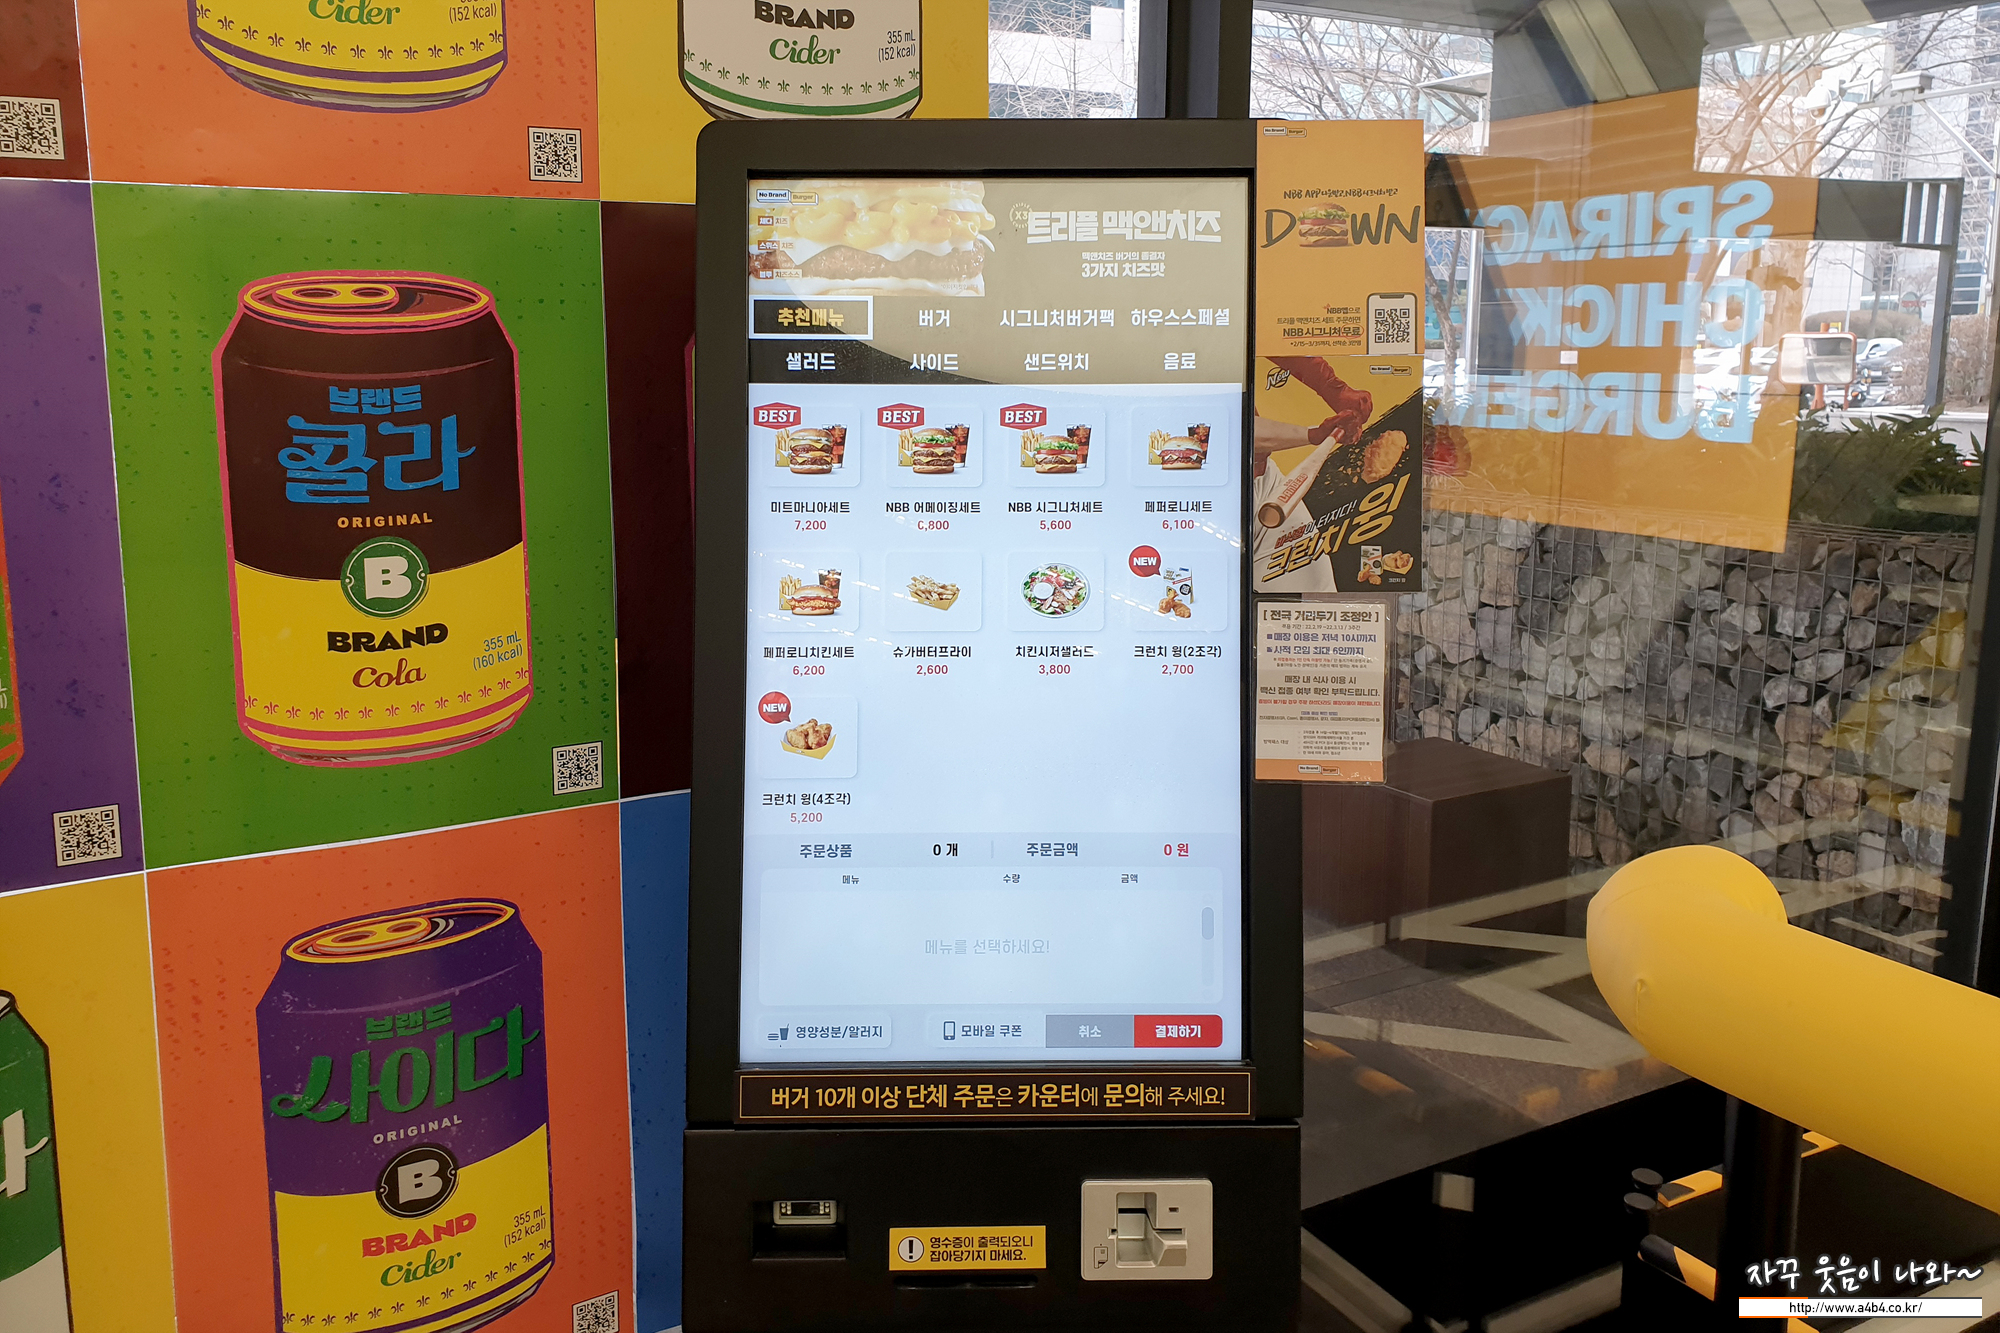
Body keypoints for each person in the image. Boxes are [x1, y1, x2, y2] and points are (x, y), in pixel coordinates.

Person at [1251, 357, 1372, 592]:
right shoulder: (1192, 356)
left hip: (1265, 483)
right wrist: (1314, 435)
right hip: (1211, 499)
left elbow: (1281, 345)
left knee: (1317, 591)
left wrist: (1335, 389)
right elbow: (1233, 433)